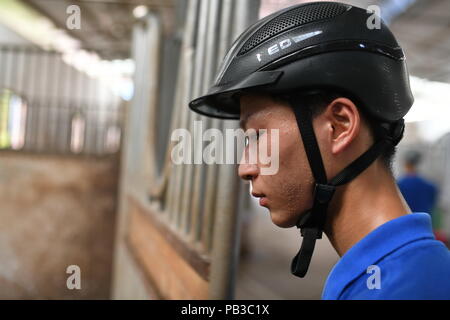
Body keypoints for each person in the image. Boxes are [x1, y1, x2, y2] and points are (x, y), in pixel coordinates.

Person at [189, 2, 450, 299]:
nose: (245, 168)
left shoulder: (402, 290)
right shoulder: (393, 272)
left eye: (258, 136)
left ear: (339, 126)